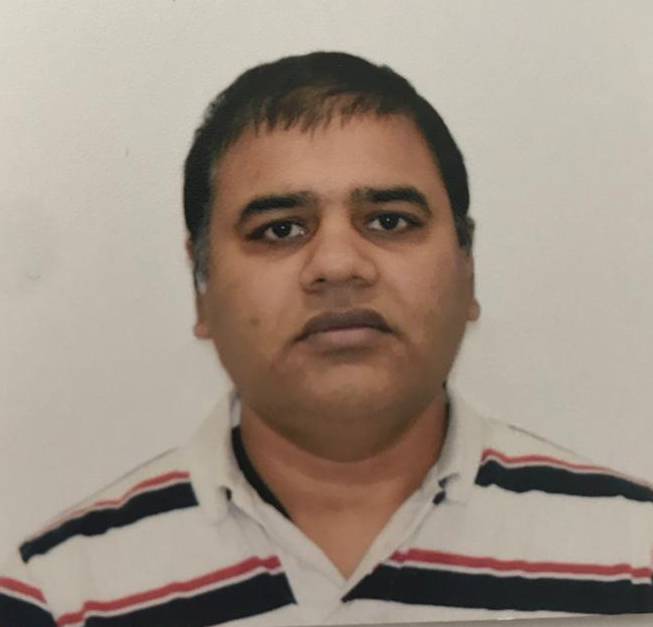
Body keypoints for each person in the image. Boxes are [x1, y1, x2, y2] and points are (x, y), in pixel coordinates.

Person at [1, 51, 652, 626]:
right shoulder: (59, 595)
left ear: (468, 267)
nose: (338, 265)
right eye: (280, 229)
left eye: (390, 220)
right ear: (201, 287)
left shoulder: (634, 558)